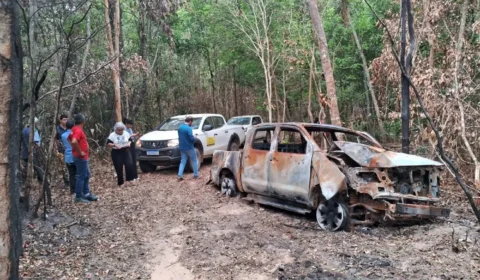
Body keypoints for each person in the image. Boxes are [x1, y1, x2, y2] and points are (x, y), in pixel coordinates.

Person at [68, 113, 98, 203]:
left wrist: (76, 149)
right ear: (83, 121)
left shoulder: (74, 129)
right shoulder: (77, 130)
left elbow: (69, 138)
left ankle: (86, 193)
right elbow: (73, 141)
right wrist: (79, 151)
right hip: (80, 157)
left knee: (86, 174)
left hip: (81, 156)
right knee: (81, 176)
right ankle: (78, 196)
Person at [107, 122, 136, 186]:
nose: (120, 131)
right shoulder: (112, 135)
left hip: (126, 150)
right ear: (116, 129)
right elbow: (108, 144)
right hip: (116, 152)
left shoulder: (126, 133)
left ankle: (129, 179)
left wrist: (129, 143)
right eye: (118, 130)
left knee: (129, 164)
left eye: (121, 130)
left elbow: (130, 140)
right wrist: (114, 144)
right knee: (119, 167)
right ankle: (120, 182)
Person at [177, 116, 199, 181]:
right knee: (194, 160)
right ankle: (196, 174)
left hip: (182, 147)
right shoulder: (188, 129)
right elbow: (191, 139)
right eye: (191, 122)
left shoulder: (180, 128)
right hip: (189, 147)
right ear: (189, 121)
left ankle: (179, 175)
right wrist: (195, 138)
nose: (191, 123)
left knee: (183, 161)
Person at [61, 120, 76, 194]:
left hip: (68, 157)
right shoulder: (75, 134)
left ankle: (72, 190)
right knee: (79, 173)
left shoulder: (63, 135)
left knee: (71, 174)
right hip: (76, 156)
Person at [56, 114, 69, 186]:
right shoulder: (57, 129)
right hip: (61, 150)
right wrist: (57, 151)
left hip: (69, 150)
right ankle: (66, 181)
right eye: (64, 120)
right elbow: (55, 140)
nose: (66, 121)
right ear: (60, 120)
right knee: (63, 166)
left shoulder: (68, 128)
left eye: (67, 119)